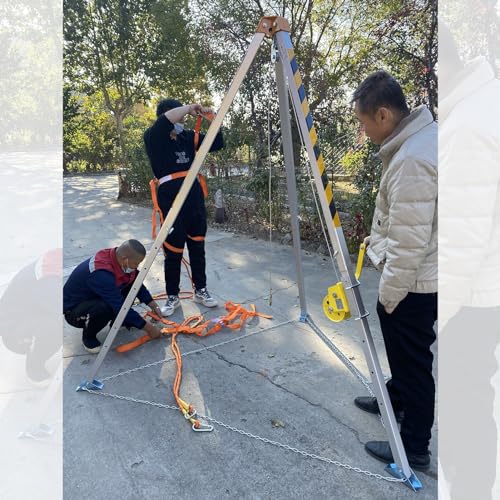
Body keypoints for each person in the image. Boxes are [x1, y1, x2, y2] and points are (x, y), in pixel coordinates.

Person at [351, 71, 437, 471]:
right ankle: (395, 398)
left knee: (413, 361)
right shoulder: (417, 143)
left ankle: (413, 447)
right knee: (404, 357)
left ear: (383, 115)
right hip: (417, 275)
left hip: (415, 282)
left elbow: (409, 242)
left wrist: (390, 294)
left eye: (363, 121)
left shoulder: (413, 159)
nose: (363, 130)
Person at [438, 21, 500, 500]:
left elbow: (462, 239)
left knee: (466, 403)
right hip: (488, 287)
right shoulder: (488, 103)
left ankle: (470, 488)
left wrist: (446, 311)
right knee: (476, 396)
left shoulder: (466, 126)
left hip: (476, 295)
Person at [144, 98, 224, 316]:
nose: (182, 119)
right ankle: (172, 296)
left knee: (197, 245)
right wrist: (188, 108)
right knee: (173, 249)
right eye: (177, 114)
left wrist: (212, 120)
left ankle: (201, 289)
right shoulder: (154, 137)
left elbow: (217, 143)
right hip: (169, 197)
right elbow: (167, 120)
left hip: (193, 196)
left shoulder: (187, 137)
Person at [63, 240, 163, 353]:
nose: (137, 266)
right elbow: (120, 306)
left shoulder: (119, 260)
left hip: (95, 296)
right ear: (125, 259)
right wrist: (149, 329)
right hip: (74, 312)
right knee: (105, 307)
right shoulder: (101, 272)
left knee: (127, 289)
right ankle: (88, 337)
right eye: (136, 263)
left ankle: (120, 321)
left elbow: (135, 284)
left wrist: (152, 304)